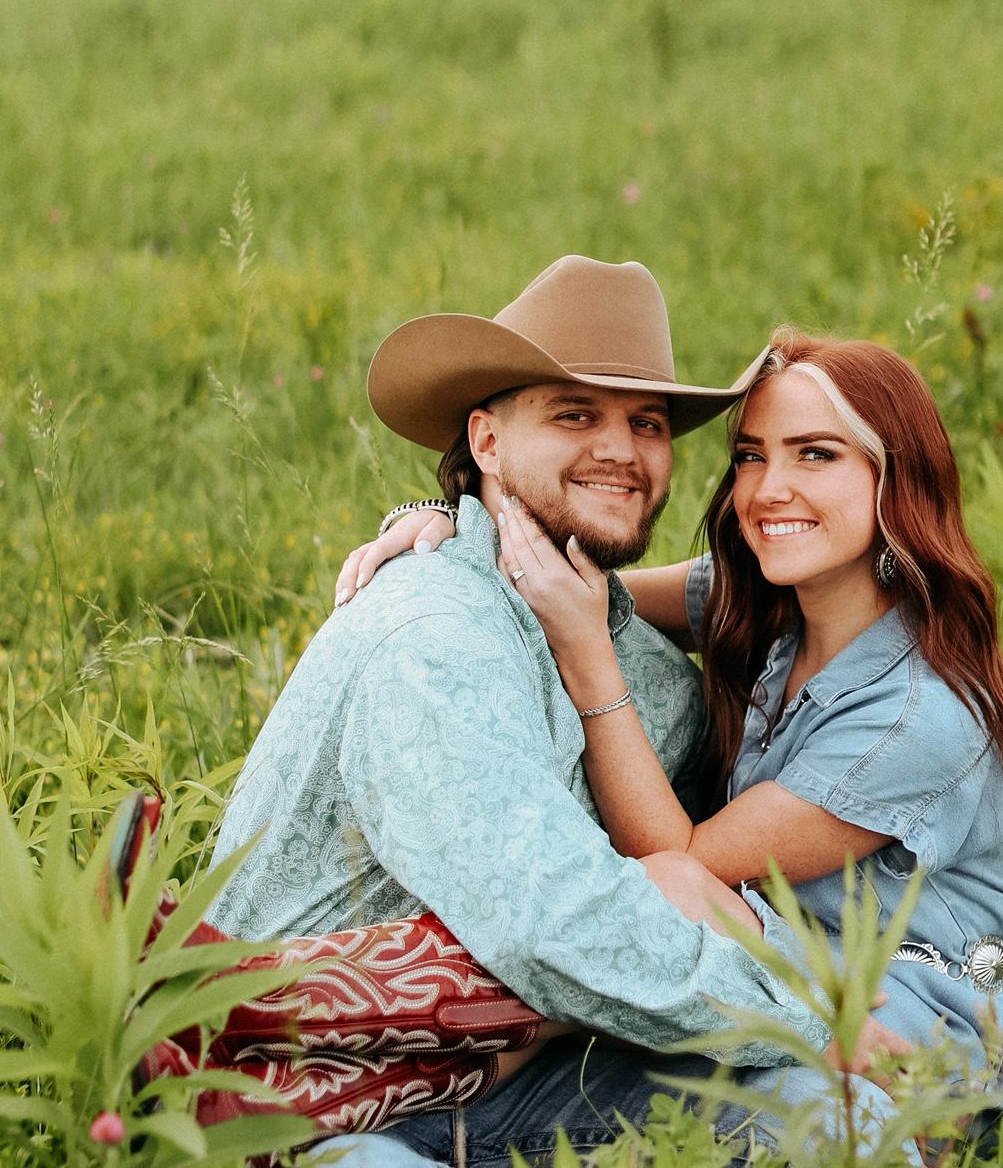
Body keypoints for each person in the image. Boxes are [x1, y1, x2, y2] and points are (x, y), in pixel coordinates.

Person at [196, 257, 913, 1167]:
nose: (619, 450)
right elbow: (547, 918)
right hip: (313, 1086)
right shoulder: (431, 639)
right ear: (487, 443)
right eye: (574, 414)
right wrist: (806, 1018)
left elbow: (693, 826)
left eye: (645, 423)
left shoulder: (630, 657)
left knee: (844, 1125)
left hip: (511, 1060)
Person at [341, 329, 1003, 1162]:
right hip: (767, 976)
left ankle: (364, 1094)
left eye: (816, 454)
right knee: (575, 978)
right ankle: (369, 1083)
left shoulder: (916, 717)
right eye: (753, 456)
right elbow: (574, 580)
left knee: (644, 907)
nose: (770, 489)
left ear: (896, 478)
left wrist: (588, 658)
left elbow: (681, 862)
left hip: (902, 1036)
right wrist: (454, 526)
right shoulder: (770, 596)